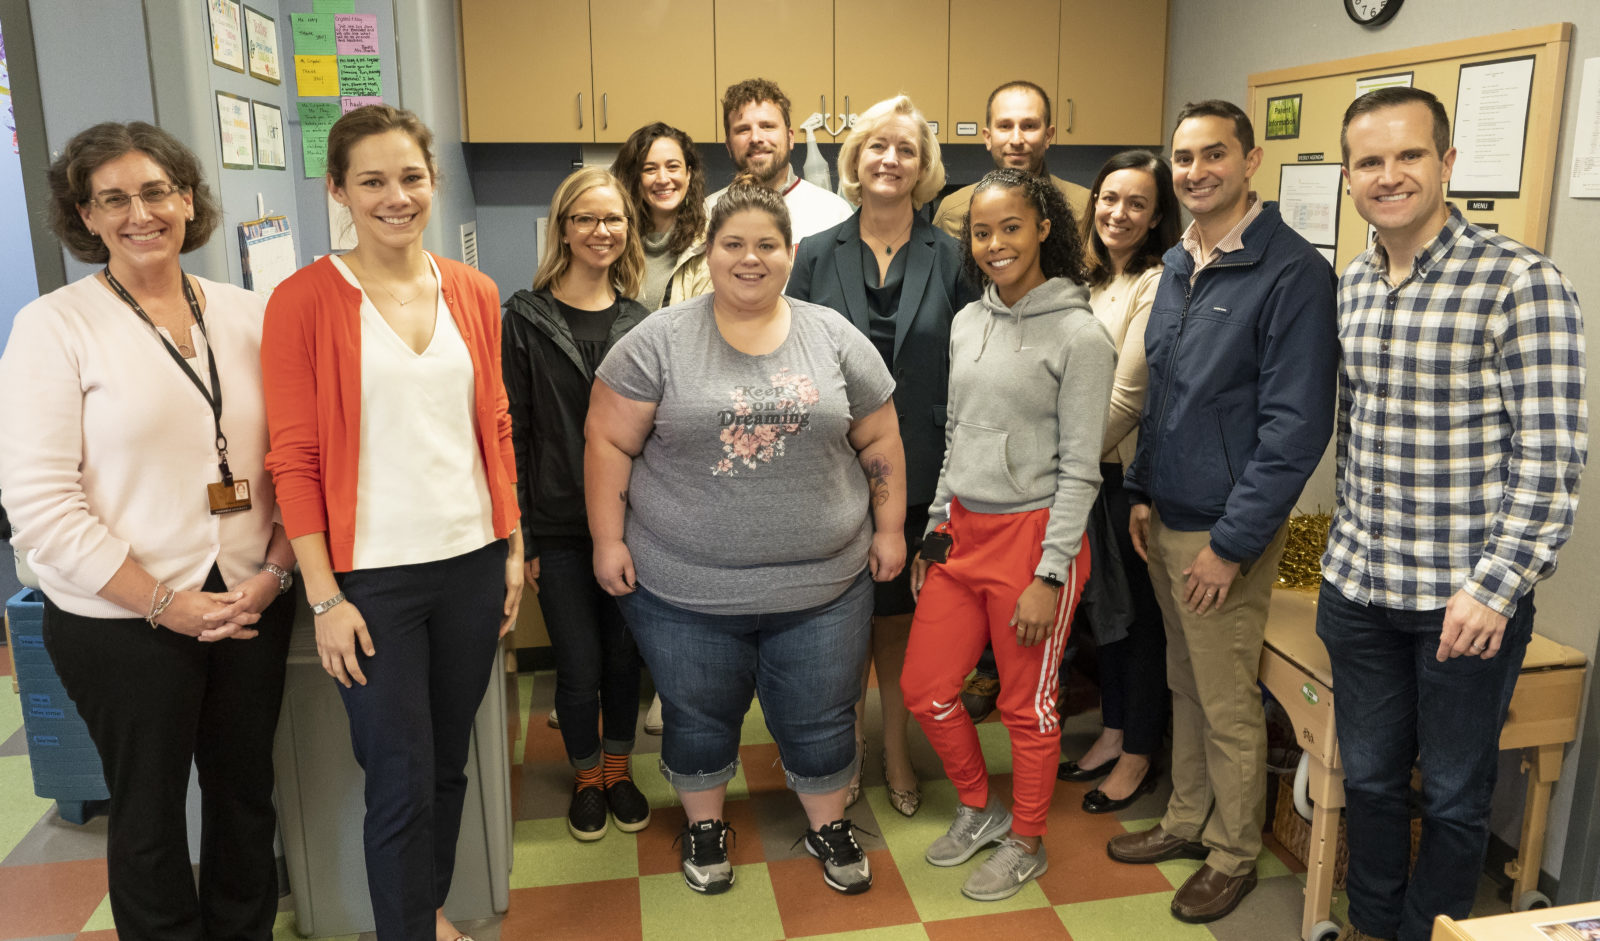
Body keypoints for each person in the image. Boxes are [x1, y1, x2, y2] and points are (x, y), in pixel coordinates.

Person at [0, 121, 295, 940]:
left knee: (244, 795)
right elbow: (42, 505)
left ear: (188, 199)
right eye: (114, 199)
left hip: (247, 601)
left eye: (157, 190)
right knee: (150, 810)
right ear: (85, 217)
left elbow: (292, 460)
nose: (141, 213)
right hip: (122, 620)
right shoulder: (53, 328)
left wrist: (274, 572)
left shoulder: (249, 313)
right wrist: (164, 602)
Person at [585, 176, 907, 897]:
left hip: (823, 585)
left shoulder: (832, 335)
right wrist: (608, 541)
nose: (751, 258)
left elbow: (880, 432)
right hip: (685, 586)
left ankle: (827, 824)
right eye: (734, 244)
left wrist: (890, 526)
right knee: (698, 716)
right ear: (709, 250)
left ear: (791, 252)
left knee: (823, 715)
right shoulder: (660, 340)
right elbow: (606, 440)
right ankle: (705, 825)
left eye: (767, 244)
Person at [1318, 87, 1587, 941]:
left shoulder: (1521, 281)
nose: (1389, 176)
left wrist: (1495, 589)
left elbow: (1551, 459)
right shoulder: (1352, 286)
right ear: (1350, 176)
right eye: (1369, 161)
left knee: (1459, 794)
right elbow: (1353, 438)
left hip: (1463, 604)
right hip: (1359, 591)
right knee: (1368, 781)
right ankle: (1371, 926)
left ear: (1447, 166)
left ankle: (1426, 935)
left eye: (1410, 156)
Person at [261, 105, 524, 941]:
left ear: (432, 180)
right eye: (371, 180)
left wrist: (512, 547)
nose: (395, 196)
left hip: (473, 564)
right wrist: (325, 596)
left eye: (409, 176)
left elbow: (497, 426)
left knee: (446, 764)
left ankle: (427, 913)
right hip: (372, 581)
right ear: (338, 189)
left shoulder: (474, 292)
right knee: (401, 779)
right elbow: (293, 457)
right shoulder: (303, 301)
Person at [1105, 99, 1337, 925]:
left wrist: (1231, 545)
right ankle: (1184, 819)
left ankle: (1234, 851)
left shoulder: (1292, 274)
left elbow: (1294, 429)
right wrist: (1138, 493)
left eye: (1213, 155)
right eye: (1183, 157)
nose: (1195, 170)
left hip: (1220, 532)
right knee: (1184, 682)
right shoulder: (1178, 262)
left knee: (1229, 699)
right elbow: (1162, 391)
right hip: (1165, 512)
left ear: (1251, 162)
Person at [901, 167, 1115, 901]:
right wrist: (934, 531)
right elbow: (957, 434)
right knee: (925, 688)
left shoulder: (1081, 335)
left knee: (1030, 706)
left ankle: (1027, 838)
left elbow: (1083, 471)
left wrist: (1051, 575)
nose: (995, 244)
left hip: (1034, 544)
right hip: (962, 535)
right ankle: (978, 809)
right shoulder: (968, 321)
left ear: (1045, 228)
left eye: (1011, 227)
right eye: (982, 232)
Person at [789, 94, 977, 817]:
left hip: (923, 464)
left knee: (898, 617)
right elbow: (792, 350)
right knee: (837, 622)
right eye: (876, 146)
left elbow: (971, 361)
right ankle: (846, 752)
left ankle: (896, 748)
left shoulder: (953, 256)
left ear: (923, 167)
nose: (890, 159)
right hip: (829, 466)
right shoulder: (813, 253)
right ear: (855, 161)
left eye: (905, 148)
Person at [502, 166, 653, 842]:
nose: (601, 231)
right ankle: (587, 779)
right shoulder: (525, 320)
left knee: (627, 662)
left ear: (629, 230)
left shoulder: (643, 323)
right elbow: (517, 433)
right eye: (586, 219)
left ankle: (620, 771)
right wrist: (526, 539)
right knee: (580, 663)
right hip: (560, 529)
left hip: (633, 525)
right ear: (563, 227)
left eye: (614, 219)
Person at [1057, 150, 1181, 815]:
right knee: (1103, 616)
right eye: (1109, 197)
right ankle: (1111, 730)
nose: (1118, 212)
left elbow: (1125, 398)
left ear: (1157, 214)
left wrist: (1058, 470)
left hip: (1115, 474)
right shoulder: (1082, 277)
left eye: (1137, 202)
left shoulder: (1154, 283)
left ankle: (1137, 753)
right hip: (1077, 467)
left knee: (1134, 618)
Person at [931, 80, 1091, 242]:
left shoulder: (1085, 210)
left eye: (1029, 126)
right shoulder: (953, 213)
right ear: (988, 138)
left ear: (1048, 136)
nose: (1016, 140)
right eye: (1005, 126)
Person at [706, 78, 853, 245]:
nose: (756, 138)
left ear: (790, 139)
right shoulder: (706, 215)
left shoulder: (834, 214)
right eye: (743, 129)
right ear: (728, 146)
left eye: (767, 126)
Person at [611, 122, 713, 312]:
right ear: (636, 178)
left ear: (688, 175)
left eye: (673, 167)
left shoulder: (709, 244)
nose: (663, 179)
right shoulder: (615, 240)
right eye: (650, 169)